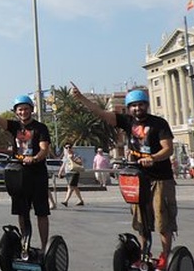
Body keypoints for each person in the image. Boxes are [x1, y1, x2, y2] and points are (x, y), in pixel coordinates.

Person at [71, 85, 176, 271]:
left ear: (147, 105)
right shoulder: (128, 122)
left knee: (162, 218)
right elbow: (102, 113)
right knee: (141, 219)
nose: (137, 109)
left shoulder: (159, 124)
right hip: (138, 177)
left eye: (141, 105)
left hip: (160, 178)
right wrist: (81, 99)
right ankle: (145, 254)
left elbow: (168, 148)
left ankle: (165, 256)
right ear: (129, 108)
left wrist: (153, 158)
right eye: (134, 106)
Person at [0, 96, 51, 250]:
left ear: (31, 110)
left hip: (37, 174)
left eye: (26, 108)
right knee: (22, 211)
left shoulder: (40, 128)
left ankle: (44, 247)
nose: (23, 112)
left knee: (41, 212)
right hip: (19, 174)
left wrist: (34, 158)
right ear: (15, 112)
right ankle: (24, 244)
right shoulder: (15, 126)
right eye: (20, 109)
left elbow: (44, 149)